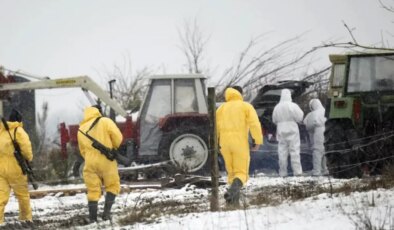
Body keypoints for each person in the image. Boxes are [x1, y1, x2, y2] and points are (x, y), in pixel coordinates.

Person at [216, 86, 263, 205]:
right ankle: (232, 193)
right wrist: (257, 141)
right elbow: (254, 124)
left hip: (224, 144)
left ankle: (233, 202)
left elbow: (214, 128)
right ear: (240, 93)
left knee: (231, 173)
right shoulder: (245, 106)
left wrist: (215, 144)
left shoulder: (221, 109)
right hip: (239, 143)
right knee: (241, 173)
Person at [77, 105, 123, 222]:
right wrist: (113, 148)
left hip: (89, 162)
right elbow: (118, 138)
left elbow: (82, 150)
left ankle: (93, 219)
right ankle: (106, 214)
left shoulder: (81, 129)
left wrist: (90, 157)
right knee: (112, 185)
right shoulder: (105, 121)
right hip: (106, 160)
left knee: (92, 190)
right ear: (99, 112)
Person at [0, 109, 33, 224]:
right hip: (16, 168)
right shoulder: (18, 131)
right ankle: (25, 219)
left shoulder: (2, 132)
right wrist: (29, 160)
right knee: (22, 196)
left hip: (1, 170)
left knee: (1, 196)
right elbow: (27, 150)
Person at [272, 89, 304, 177]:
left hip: (281, 129)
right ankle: (297, 173)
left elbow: (274, 120)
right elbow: (300, 117)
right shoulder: (293, 106)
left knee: (282, 153)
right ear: (289, 95)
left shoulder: (277, 107)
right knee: (295, 151)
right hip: (292, 129)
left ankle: (283, 173)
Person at [303, 98, 328, 176]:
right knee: (324, 151)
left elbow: (308, 126)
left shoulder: (313, 114)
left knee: (317, 151)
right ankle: (325, 169)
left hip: (318, 132)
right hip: (327, 131)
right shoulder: (326, 111)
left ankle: (316, 171)